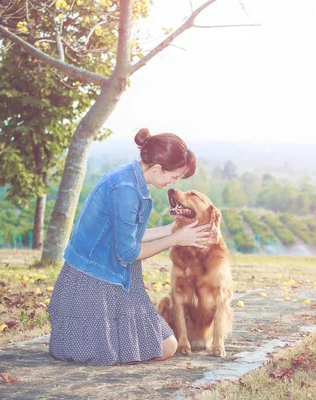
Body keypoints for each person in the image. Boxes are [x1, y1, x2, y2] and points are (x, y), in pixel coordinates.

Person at [48, 128, 211, 366]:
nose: (174, 183)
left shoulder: (128, 178)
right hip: (94, 282)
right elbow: (128, 252)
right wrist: (174, 240)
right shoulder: (126, 190)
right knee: (165, 346)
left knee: (167, 344)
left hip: (116, 276)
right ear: (157, 168)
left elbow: (126, 235)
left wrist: (172, 229)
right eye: (174, 176)